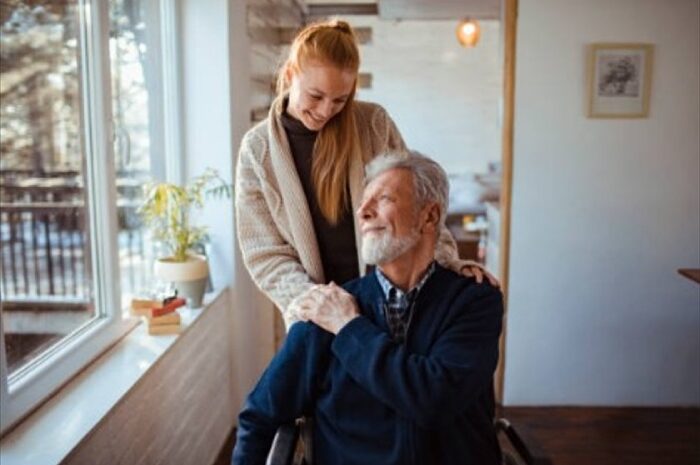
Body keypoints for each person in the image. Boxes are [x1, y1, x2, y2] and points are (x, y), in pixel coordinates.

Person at [232, 153, 503, 465]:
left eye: (384, 198)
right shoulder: (326, 309)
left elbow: (434, 400)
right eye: (363, 202)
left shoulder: (474, 301)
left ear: (429, 217)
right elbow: (260, 416)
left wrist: (349, 329)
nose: (363, 212)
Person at [235, 19, 497, 328]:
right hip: (316, 320)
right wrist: (321, 306)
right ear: (290, 74)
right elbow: (265, 253)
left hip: (394, 307)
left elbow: (416, 203)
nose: (325, 110)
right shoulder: (257, 150)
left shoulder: (373, 124)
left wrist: (448, 265)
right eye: (316, 96)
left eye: (340, 99)